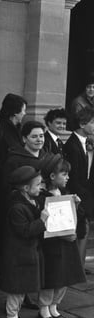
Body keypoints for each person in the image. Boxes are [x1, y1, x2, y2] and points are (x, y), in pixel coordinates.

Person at [0, 93, 27, 288]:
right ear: (15, 111)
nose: (24, 114)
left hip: (8, 188)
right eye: (23, 110)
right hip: (3, 189)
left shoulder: (11, 130)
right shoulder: (0, 132)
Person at [0, 166, 49, 318]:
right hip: (17, 255)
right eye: (37, 185)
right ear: (26, 189)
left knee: (22, 288)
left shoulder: (31, 201)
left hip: (27, 254)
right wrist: (41, 221)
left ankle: (16, 315)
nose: (41, 187)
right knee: (17, 289)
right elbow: (25, 231)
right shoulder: (17, 208)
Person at [37, 155, 85, 318]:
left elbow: (72, 218)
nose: (67, 177)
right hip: (52, 243)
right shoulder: (42, 197)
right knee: (52, 276)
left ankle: (55, 306)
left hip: (67, 242)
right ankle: (44, 308)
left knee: (65, 275)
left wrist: (76, 206)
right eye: (63, 174)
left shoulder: (65, 194)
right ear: (52, 176)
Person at [63, 106, 94, 271]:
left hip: (86, 193)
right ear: (83, 124)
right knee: (81, 230)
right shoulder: (72, 145)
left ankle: (79, 265)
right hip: (78, 194)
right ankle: (76, 267)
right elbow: (74, 176)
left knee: (84, 229)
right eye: (92, 122)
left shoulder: (86, 142)